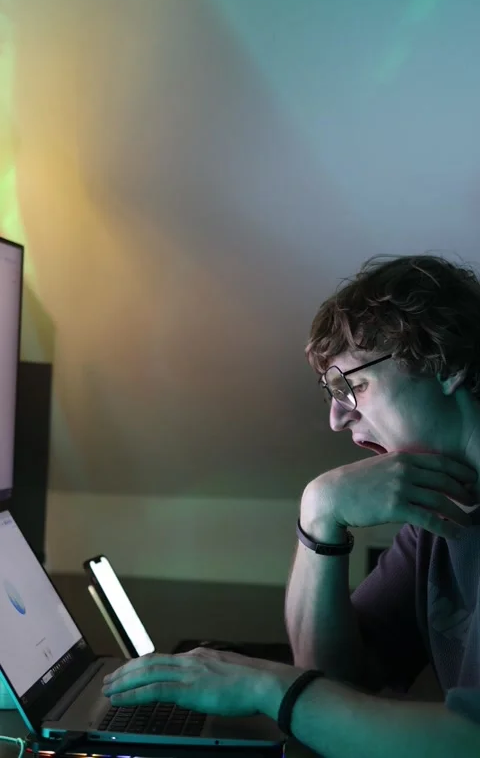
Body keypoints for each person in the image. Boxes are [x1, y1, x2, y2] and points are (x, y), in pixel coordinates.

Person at [102, 254, 480, 757]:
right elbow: (338, 681)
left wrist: (264, 686)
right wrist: (319, 515)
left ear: (447, 363)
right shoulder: (439, 510)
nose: (337, 418)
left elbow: (467, 743)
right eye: (332, 391)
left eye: (354, 385)